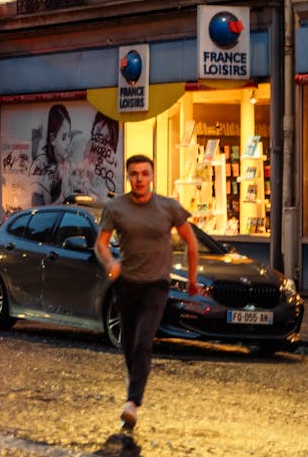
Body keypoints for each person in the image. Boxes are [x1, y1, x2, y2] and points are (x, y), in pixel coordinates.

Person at [94, 154, 198, 431]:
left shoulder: (169, 207)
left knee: (143, 341)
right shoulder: (116, 207)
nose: (139, 179)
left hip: (156, 285)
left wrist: (191, 278)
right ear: (128, 177)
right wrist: (110, 262)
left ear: (152, 176)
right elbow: (101, 244)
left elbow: (190, 240)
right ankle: (135, 388)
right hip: (126, 284)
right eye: (134, 174)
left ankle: (132, 403)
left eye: (144, 174)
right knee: (128, 345)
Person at [30, 103, 74, 206]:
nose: (68, 142)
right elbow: (46, 213)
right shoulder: (48, 174)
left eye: (68, 136)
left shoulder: (67, 167)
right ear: (53, 139)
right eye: (63, 137)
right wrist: (61, 200)